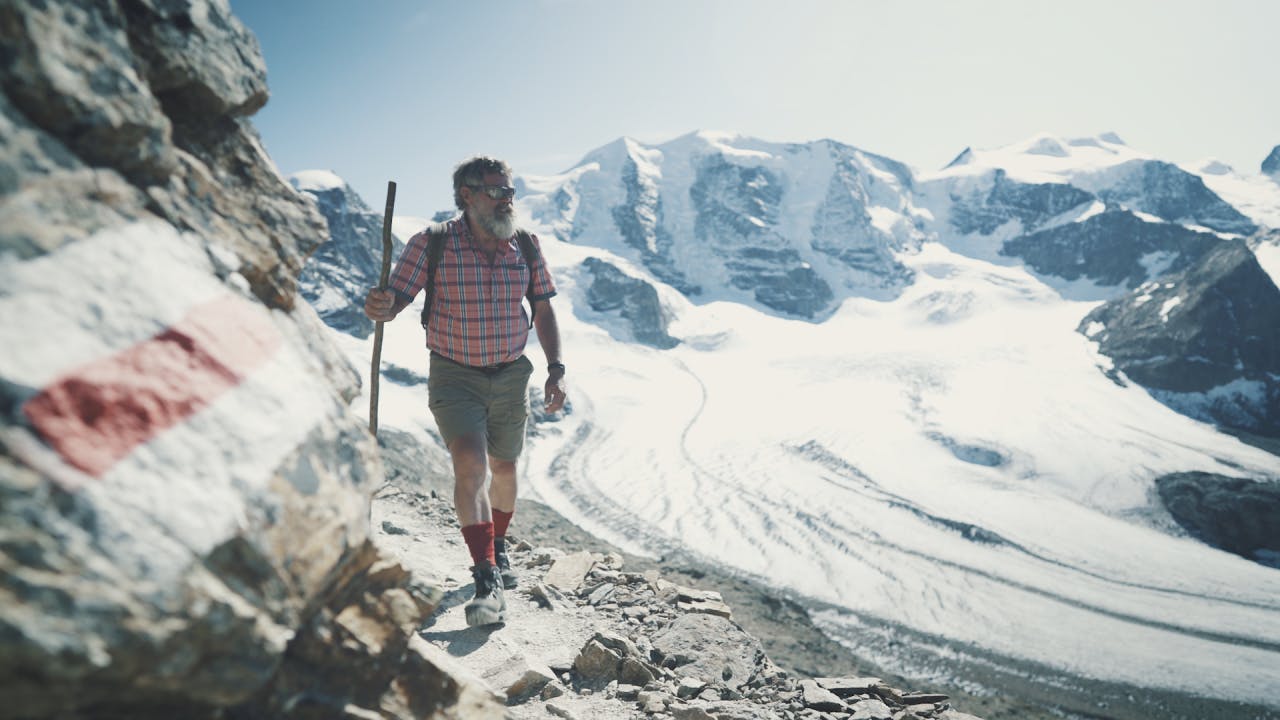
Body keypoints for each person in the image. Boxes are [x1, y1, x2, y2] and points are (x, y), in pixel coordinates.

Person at [363, 156, 566, 627]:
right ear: (467, 196)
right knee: (471, 465)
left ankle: (497, 546)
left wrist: (555, 368)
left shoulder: (527, 246)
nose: (506, 198)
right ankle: (485, 577)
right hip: (455, 374)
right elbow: (396, 300)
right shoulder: (433, 244)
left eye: (509, 190)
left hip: (512, 373)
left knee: (505, 467)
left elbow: (544, 310)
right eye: (496, 191)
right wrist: (381, 305)